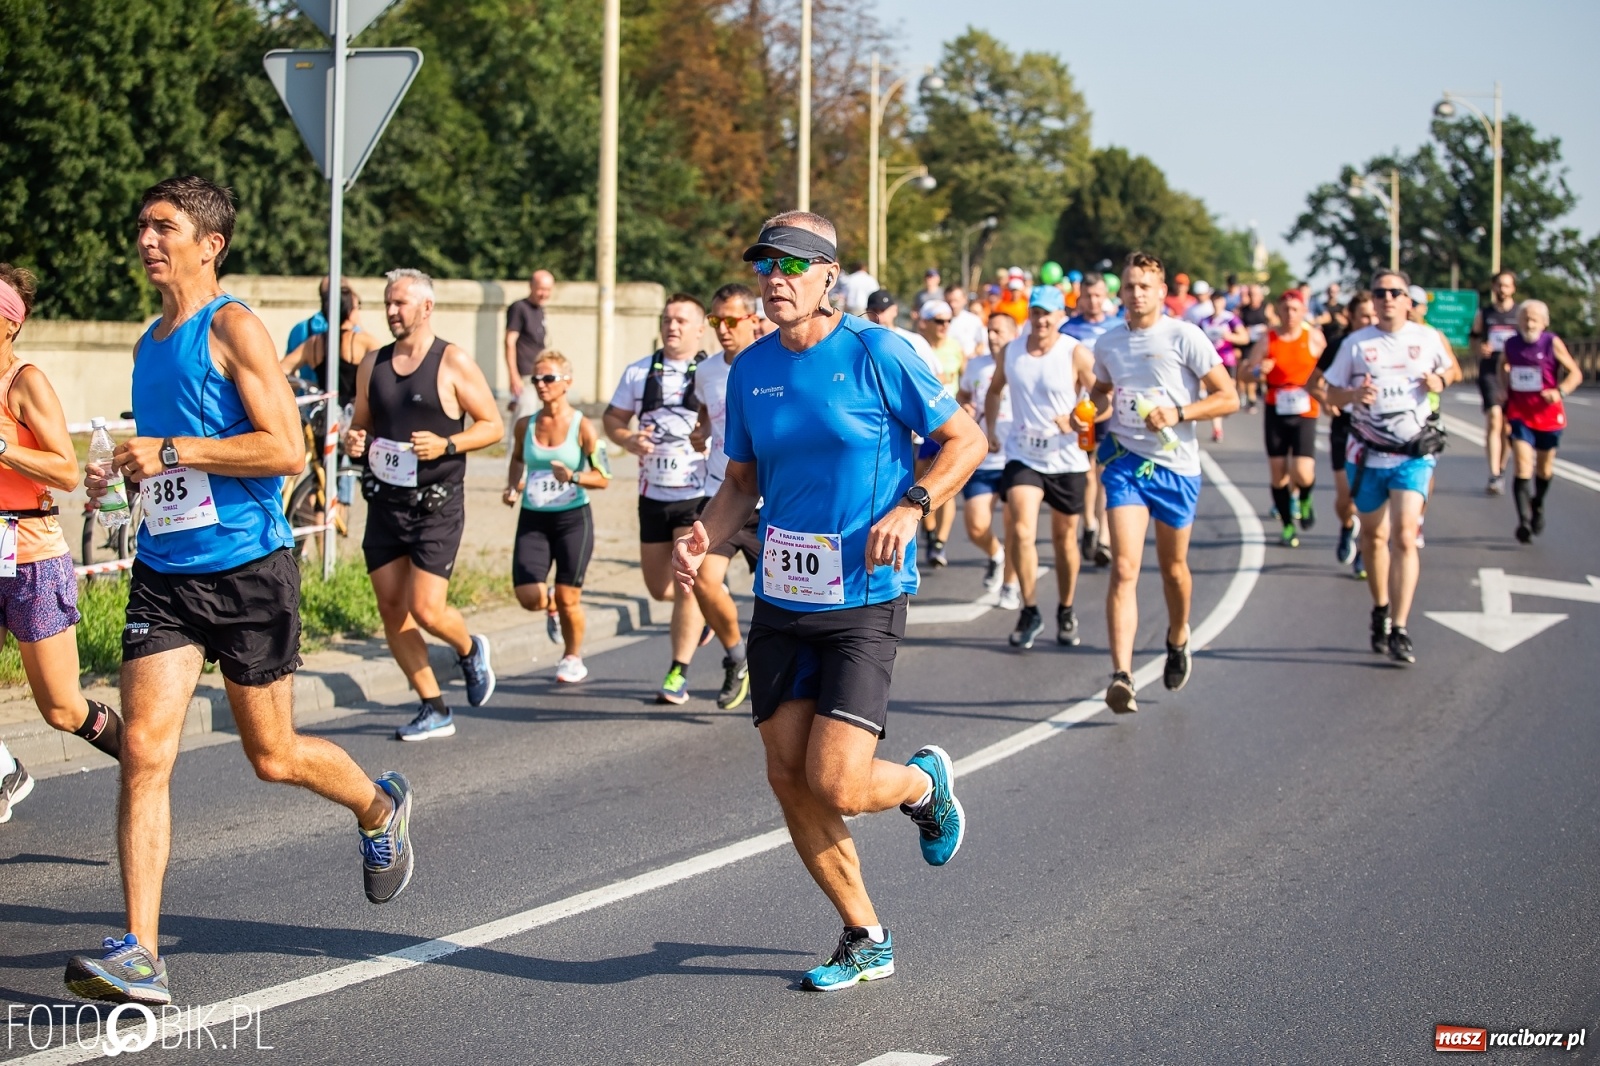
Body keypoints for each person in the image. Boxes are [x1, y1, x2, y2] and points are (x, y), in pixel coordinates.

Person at [67, 177, 414, 1006]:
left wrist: (173, 451)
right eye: (142, 225)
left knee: (273, 755)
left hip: (249, 571)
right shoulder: (150, 343)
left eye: (165, 227)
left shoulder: (233, 328)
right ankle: (142, 953)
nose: (147, 240)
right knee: (145, 750)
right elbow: (161, 458)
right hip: (165, 575)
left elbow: (285, 449)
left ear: (210, 243)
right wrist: (122, 477)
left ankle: (378, 808)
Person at [673, 211, 984, 991]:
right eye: (765, 266)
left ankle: (923, 786)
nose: (774, 280)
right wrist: (705, 535)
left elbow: (967, 440)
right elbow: (741, 482)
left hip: (865, 595)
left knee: (838, 782)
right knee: (788, 775)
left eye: (790, 266)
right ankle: (865, 934)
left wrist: (913, 505)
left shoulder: (879, 352)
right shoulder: (750, 369)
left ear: (827, 277)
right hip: (784, 595)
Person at [1073, 252, 1238, 714]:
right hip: (1126, 463)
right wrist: (1087, 411)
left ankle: (1178, 635)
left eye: (1145, 286)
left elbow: (1228, 397)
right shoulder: (1108, 343)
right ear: (1121, 292)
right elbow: (1102, 393)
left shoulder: (1185, 336)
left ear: (1162, 291)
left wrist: (1180, 412)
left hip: (1176, 467)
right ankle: (1121, 675)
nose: (1136, 293)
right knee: (1125, 568)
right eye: (1129, 286)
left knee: (1174, 570)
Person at [346, 268, 501, 740]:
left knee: (427, 609)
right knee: (392, 609)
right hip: (384, 504)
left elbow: (492, 424)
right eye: (388, 303)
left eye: (401, 303)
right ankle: (434, 707)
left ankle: (469, 648)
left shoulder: (452, 361)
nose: (392, 311)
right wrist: (356, 440)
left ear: (426, 307)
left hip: (436, 505)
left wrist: (447, 444)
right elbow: (362, 423)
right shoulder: (372, 363)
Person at [0, 264, 124, 824]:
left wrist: (3, 447)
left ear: (10, 324)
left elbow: (66, 471)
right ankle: (7, 771)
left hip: (31, 555)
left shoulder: (25, 382)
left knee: (61, 707)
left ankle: (141, 760)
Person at [605, 294, 744, 706]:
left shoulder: (714, 370)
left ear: (701, 328)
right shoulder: (639, 371)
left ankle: (677, 672)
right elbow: (613, 419)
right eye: (667, 319)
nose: (673, 326)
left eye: (682, 320)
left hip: (699, 493)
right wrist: (628, 439)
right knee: (659, 587)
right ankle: (708, 605)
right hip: (653, 492)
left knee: (690, 581)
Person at [1312, 270, 1454, 666]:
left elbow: (1453, 369)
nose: (1387, 298)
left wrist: (1439, 380)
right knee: (1375, 538)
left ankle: (1400, 627)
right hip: (1367, 454)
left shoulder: (1427, 338)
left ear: (1408, 300)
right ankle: (1380, 609)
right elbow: (1329, 392)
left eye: (1395, 292)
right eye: (1380, 293)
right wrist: (1353, 395)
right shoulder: (1356, 344)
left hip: (1413, 453)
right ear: (1373, 300)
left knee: (1405, 537)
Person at [988, 286, 1095, 649]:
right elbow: (994, 390)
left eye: (1048, 314)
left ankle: (1066, 608)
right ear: (1029, 314)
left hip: (1066, 459)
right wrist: (991, 429)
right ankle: (1030, 609)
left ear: (1061, 316)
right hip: (1023, 455)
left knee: (1065, 540)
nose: (1042, 320)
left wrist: (1079, 419)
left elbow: (1104, 398)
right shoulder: (1012, 351)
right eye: (1036, 312)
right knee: (1021, 530)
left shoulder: (1075, 352)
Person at [503, 351, 609, 683]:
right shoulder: (525, 425)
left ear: (567, 383)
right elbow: (517, 459)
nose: (541, 384)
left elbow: (603, 477)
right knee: (528, 597)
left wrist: (573, 477)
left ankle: (572, 656)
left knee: (569, 597)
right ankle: (550, 604)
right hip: (533, 518)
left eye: (548, 378)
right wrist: (512, 486)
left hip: (572, 520)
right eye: (536, 379)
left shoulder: (583, 426)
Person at [688, 282, 769, 710]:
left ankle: (778, 667)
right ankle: (737, 656)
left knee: (776, 596)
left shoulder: (772, 362)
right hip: (722, 492)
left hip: (770, 500)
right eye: (715, 320)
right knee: (704, 579)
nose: (722, 329)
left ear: (752, 320)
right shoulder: (706, 371)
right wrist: (700, 431)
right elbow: (706, 412)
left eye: (730, 320)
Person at [1246, 289, 1326, 547]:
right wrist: (1258, 371)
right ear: (1278, 311)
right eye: (1285, 309)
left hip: (1305, 409)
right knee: (1278, 473)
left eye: (1295, 309)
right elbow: (1245, 373)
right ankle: (1288, 525)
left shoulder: (1313, 337)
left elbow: (1331, 368)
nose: (1290, 314)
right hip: (1276, 408)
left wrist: (1325, 392)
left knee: (1303, 471)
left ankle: (1305, 497)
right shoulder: (1268, 339)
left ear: (1303, 312)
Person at [1501, 299, 1582, 543]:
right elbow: (1501, 366)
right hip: (1519, 413)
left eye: (1534, 319)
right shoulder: (1511, 344)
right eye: (1525, 318)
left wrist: (1560, 392)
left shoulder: (1551, 342)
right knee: (1522, 465)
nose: (1529, 323)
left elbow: (1575, 373)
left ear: (1544, 322)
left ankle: (1537, 503)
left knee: (1544, 469)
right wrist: (1504, 390)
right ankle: (1524, 522)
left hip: (1548, 414)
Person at [957, 311, 1020, 606]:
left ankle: (1010, 584)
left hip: (1016, 457)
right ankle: (996, 554)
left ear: (1013, 334)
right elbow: (962, 396)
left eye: (999, 331)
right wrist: (965, 407)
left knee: (1015, 526)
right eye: (989, 331)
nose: (992, 337)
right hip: (982, 456)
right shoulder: (976, 365)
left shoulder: (1022, 364)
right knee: (976, 526)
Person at [1060, 272, 1122, 568]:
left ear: (1106, 296)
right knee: (1086, 472)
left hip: (1109, 409)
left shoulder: (1117, 326)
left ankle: (1105, 537)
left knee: (1103, 470)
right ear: (1080, 298)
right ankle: (1089, 524)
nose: (1093, 301)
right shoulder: (1068, 329)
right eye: (1087, 296)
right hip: (1079, 410)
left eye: (1098, 295)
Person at [1320, 292, 1375, 579]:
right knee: (1346, 498)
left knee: (1369, 497)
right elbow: (1314, 383)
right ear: (1350, 317)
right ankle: (1346, 525)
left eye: (1373, 315)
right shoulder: (1340, 346)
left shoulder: (1388, 345)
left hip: (1375, 429)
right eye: (1364, 316)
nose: (1370, 320)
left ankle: (1365, 550)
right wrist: (1327, 402)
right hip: (1345, 426)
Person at [915, 300, 966, 568]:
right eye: (938, 321)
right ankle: (930, 529)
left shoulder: (956, 348)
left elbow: (966, 383)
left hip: (949, 424)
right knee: (922, 479)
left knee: (948, 480)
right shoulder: (915, 347)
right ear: (925, 322)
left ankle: (939, 541)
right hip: (923, 424)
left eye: (948, 321)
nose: (944, 325)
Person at [280, 283, 381, 411]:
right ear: (349, 310)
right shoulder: (364, 341)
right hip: (355, 415)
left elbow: (281, 370)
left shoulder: (315, 343)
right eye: (357, 307)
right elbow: (383, 375)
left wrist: (301, 385)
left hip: (325, 415)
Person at [1471, 270, 1517, 495]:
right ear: (1493, 288)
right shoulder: (1485, 313)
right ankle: (1493, 473)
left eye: (1506, 285)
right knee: (1494, 418)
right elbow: (1473, 338)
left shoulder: (1520, 313)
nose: (1502, 289)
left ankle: (1501, 468)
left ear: (1513, 289)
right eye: (1499, 285)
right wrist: (1480, 349)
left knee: (1507, 426)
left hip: (1513, 374)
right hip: (1490, 371)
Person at [1197, 290, 1249, 442]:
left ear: (1223, 302)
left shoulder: (1230, 319)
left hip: (1227, 360)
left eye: (1219, 300)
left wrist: (1229, 336)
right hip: (1211, 362)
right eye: (1214, 300)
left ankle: (1226, 408)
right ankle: (1217, 429)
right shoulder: (1204, 321)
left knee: (1229, 389)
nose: (1217, 304)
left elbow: (1244, 338)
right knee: (1215, 393)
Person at [504, 270, 555, 419]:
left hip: (539, 376)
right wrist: (514, 376)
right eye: (541, 289)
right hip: (524, 377)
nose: (544, 294)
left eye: (548, 290)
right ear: (531, 286)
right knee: (523, 419)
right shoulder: (519, 308)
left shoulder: (540, 310)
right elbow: (509, 342)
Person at [1236, 284, 1270, 412]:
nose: (1252, 297)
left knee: (1261, 371)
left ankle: (1258, 392)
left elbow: (1274, 322)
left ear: (1261, 296)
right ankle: (1249, 397)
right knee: (1247, 369)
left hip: (1262, 344)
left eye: (1255, 294)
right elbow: (1237, 326)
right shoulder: (1243, 310)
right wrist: (1245, 330)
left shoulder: (1266, 307)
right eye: (1250, 294)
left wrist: (1266, 329)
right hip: (1247, 345)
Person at [945, 285, 988, 362]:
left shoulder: (974, 320)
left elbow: (981, 344)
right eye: (949, 301)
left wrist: (972, 356)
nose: (953, 305)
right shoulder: (937, 322)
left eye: (956, 301)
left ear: (964, 299)